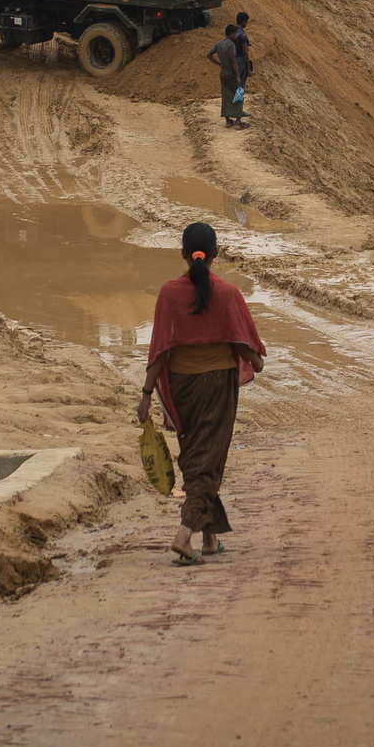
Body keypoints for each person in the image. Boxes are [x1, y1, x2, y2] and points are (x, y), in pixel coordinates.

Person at [137, 221, 266, 565]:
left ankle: (209, 540)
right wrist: (256, 360)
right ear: (216, 253)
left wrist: (147, 394)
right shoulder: (228, 293)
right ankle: (184, 535)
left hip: (181, 388)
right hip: (218, 386)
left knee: (198, 459)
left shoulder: (168, 293)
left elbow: (159, 349)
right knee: (208, 464)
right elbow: (249, 349)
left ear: (183, 253)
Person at [207, 24, 248, 128]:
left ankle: (228, 121)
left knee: (226, 96)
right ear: (231, 34)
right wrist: (238, 76)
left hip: (223, 72)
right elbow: (234, 63)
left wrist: (219, 63)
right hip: (231, 73)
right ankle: (238, 122)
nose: (236, 35)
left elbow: (209, 55)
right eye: (234, 33)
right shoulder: (231, 45)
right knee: (238, 94)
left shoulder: (219, 43)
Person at [233, 11, 253, 80]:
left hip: (230, 60)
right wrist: (248, 69)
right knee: (240, 85)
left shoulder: (232, 32)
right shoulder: (242, 35)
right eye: (246, 22)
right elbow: (245, 53)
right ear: (244, 22)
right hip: (239, 62)